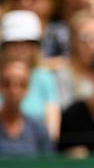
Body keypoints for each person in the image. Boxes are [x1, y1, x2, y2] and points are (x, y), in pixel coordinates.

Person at [0, 10, 60, 139]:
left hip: (36, 151)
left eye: (27, 42)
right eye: (14, 43)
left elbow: (52, 130)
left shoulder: (45, 77)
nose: (21, 48)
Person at [0, 60, 53, 157]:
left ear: (27, 89)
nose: (14, 90)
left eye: (21, 84)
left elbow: (48, 166)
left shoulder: (39, 129)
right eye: (7, 83)